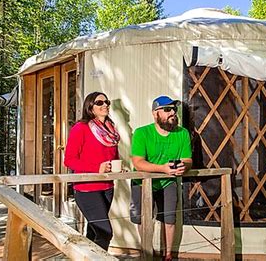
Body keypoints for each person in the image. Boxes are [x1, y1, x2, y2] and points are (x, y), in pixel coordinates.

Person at [130, 95, 192, 261]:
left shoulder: (182, 133)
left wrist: (183, 167)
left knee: (170, 218)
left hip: (168, 181)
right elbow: (138, 162)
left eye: (174, 109)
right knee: (142, 219)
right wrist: (163, 169)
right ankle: (146, 253)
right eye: (167, 109)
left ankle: (168, 255)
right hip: (142, 182)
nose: (172, 112)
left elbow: (188, 160)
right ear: (155, 113)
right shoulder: (142, 133)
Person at [64, 91, 120, 251]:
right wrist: (97, 168)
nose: (105, 105)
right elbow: (69, 160)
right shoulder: (80, 128)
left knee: (93, 232)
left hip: (107, 187)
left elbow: (113, 156)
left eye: (107, 102)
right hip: (87, 189)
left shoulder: (111, 129)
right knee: (105, 232)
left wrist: (118, 167)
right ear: (90, 107)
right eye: (100, 103)